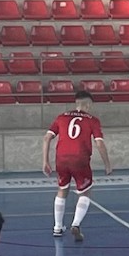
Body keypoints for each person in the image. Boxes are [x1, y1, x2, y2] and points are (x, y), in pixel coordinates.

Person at [42, 90, 113, 241]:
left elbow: (47, 138)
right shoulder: (92, 120)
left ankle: (57, 227)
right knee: (85, 192)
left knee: (62, 189)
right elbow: (99, 143)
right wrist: (107, 164)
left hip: (61, 158)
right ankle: (76, 224)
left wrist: (45, 161)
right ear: (88, 104)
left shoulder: (62, 117)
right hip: (80, 159)